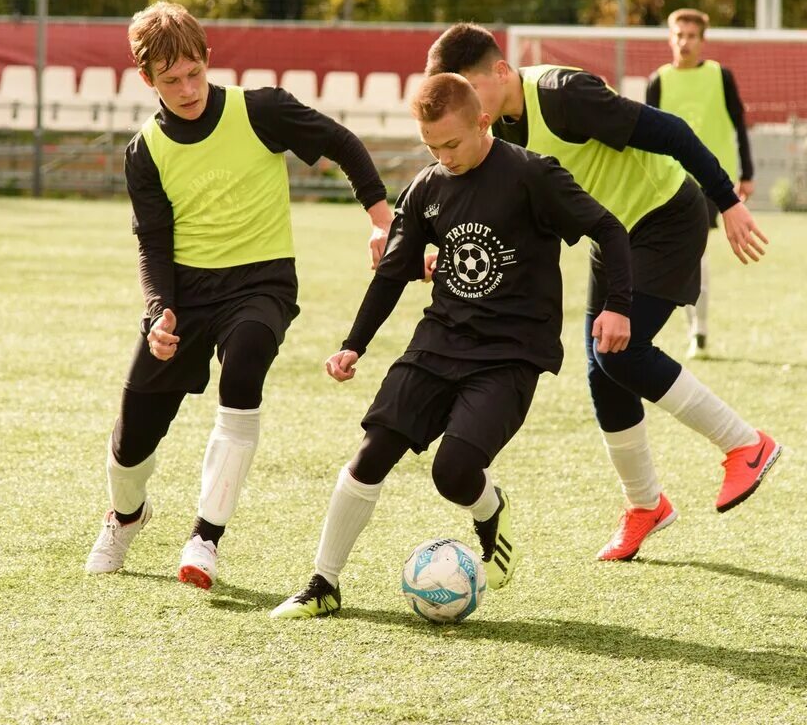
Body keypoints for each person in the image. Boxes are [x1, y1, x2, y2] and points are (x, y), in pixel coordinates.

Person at [271, 72, 634, 619]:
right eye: (432, 146)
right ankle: (323, 583)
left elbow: (609, 229)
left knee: (453, 471)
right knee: (371, 454)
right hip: (438, 342)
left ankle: (490, 514)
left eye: (452, 143)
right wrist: (354, 345)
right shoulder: (426, 188)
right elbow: (393, 274)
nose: (444, 156)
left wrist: (617, 303)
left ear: (482, 122)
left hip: (511, 353)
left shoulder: (533, 175)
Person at [426, 23, 784, 564]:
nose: (468, 107)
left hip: (667, 217)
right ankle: (645, 506)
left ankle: (745, 444)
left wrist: (727, 202)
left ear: (501, 72)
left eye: (472, 92)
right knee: (602, 368)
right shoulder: (497, 127)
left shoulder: (565, 95)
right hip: (613, 236)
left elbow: (673, 131)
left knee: (624, 350)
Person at [85, 1, 393, 590]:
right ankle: (127, 516)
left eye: (194, 73)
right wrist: (159, 313)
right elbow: (153, 242)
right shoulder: (144, 151)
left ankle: (206, 536)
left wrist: (380, 217)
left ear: (208, 60)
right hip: (185, 294)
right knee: (129, 447)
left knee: (248, 356)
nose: (187, 88)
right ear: (146, 79)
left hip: (261, 281)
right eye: (170, 80)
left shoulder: (261, 110)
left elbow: (340, 142)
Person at [646, 8, 755, 358]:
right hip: (669, 182)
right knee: (680, 258)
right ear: (670, 38)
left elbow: (739, 125)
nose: (684, 41)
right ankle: (691, 327)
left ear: (702, 40)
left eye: (691, 35)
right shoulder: (657, 81)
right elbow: (645, 138)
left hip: (710, 181)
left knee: (697, 255)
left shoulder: (720, 77)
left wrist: (747, 173)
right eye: (679, 35)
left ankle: (700, 331)